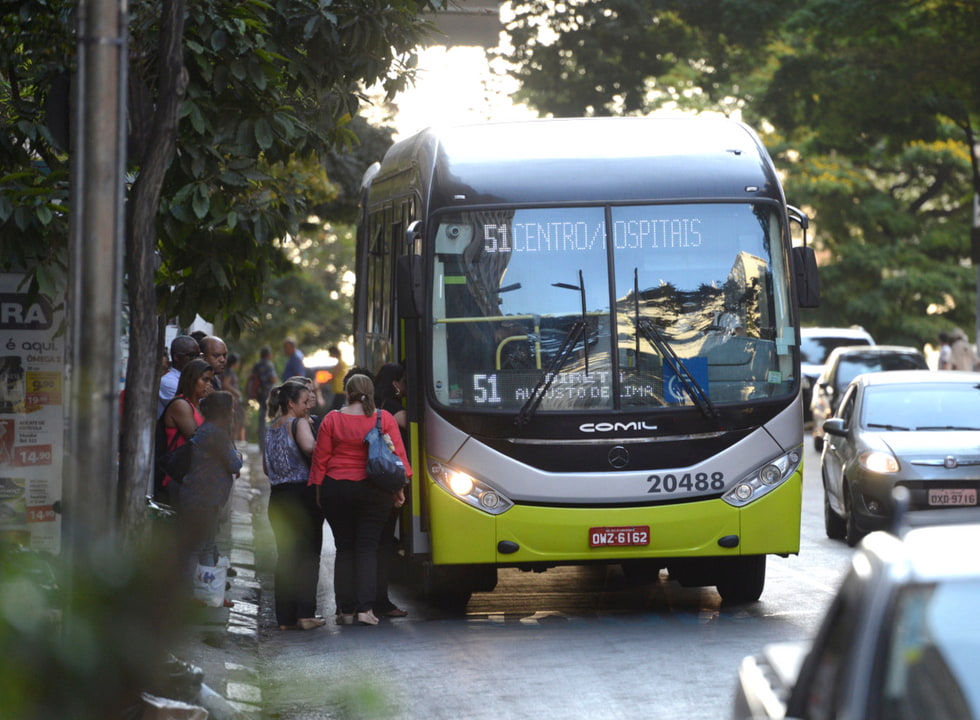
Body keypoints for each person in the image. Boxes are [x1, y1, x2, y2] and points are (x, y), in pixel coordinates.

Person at [308, 373, 411, 626]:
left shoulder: (332, 419)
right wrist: (400, 489)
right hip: (374, 491)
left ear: (347, 392)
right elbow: (398, 458)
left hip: (337, 490)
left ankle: (346, 611)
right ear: (371, 392)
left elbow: (320, 460)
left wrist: (320, 493)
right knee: (367, 548)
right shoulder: (383, 418)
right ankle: (366, 609)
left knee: (344, 549)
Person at [264, 381, 324, 631]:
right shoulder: (298, 423)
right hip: (301, 496)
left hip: (277, 497)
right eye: (303, 402)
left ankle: (285, 618)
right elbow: (311, 449)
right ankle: (305, 614)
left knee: (286, 557)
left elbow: (267, 468)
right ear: (291, 403)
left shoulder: (271, 428)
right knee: (308, 555)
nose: (306, 407)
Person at [177, 391, 243, 602]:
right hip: (204, 497)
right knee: (198, 548)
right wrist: (238, 456)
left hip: (200, 496)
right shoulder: (217, 434)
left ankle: (209, 593)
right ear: (223, 411)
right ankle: (191, 596)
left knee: (205, 546)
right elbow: (234, 464)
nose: (233, 412)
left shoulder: (206, 430)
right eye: (231, 408)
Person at [372, 362, 409, 618]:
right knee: (383, 545)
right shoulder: (394, 410)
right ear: (396, 383)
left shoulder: (381, 405)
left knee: (380, 543)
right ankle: (380, 601)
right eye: (406, 380)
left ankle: (373, 600)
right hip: (391, 482)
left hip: (381, 481)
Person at [159, 358, 214, 505]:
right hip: (179, 479)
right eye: (204, 380)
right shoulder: (181, 405)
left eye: (210, 381)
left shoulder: (200, 408)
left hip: (197, 479)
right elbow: (201, 441)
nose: (208, 385)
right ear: (191, 379)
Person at [158, 335, 202, 417]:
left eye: (198, 356)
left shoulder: (192, 378)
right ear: (177, 357)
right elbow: (191, 408)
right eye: (191, 356)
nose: (196, 360)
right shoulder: (168, 382)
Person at [248, 347, 279, 454]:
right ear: (268, 355)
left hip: (260, 395)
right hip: (269, 395)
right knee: (272, 418)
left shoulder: (257, 365)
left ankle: (262, 445)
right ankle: (270, 445)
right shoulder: (269, 365)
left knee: (261, 420)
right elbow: (273, 379)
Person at [223, 352, 246, 443]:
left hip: (234, 400)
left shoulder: (230, 371)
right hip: (231, 400)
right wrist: (236, 392)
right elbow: (225, 384)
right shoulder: (228, 372)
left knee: (237, 420)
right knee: (235, 420)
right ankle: (232, 441)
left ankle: (233, 441)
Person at [327, 345, 348, 410]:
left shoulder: (340, 364)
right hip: (340, 390)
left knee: (335, 409)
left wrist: (320, 386)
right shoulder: (341, 362)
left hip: (340, 390)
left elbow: (333, 377)